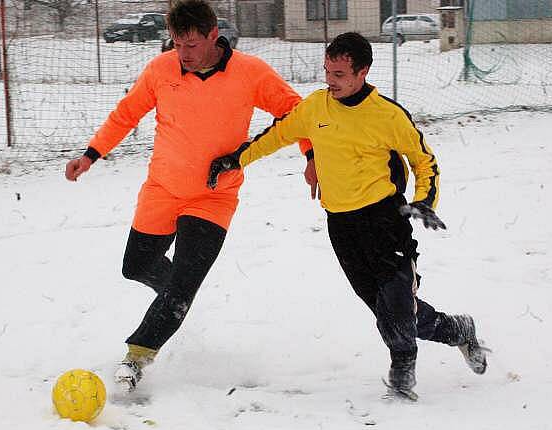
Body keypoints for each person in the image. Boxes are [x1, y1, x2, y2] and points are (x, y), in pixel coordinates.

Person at [208, 32, 487, 400]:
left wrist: (424, 200)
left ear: (362, 72)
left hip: (385, 219)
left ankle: (403, 370)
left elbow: (424, 160)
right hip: (341, 225)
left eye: (339, 74)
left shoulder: (388, 115)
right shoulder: (315, 108)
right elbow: (274, 137)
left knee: (398, 302)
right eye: (327, 71)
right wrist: (234, 160)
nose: (330, 80)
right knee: (388, 311)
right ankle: (457, 330)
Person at [64, 0, 311, 392]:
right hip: (162, 188)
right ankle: (178, 296)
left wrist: (310, 155)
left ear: (214, 36)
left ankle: (137, 356)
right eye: (177, 44)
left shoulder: (250, 73)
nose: (184, 54)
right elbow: (127, 113)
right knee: (136, 266)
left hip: (214, 197)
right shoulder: (162, 69)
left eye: (192, 45)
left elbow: (295, 112)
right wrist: (92, 154)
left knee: (181, 285)